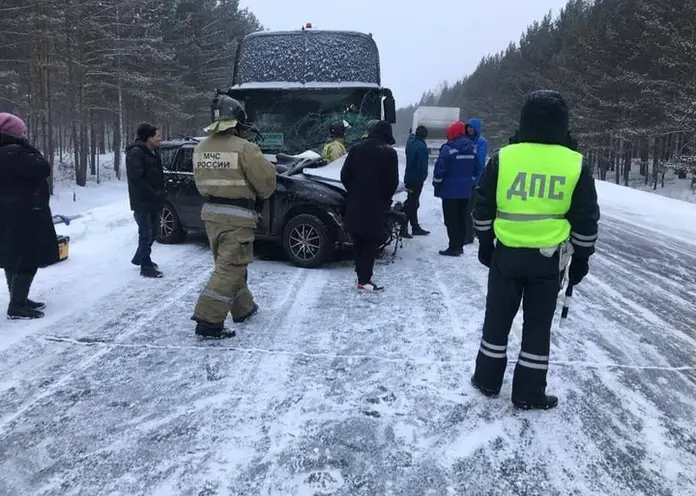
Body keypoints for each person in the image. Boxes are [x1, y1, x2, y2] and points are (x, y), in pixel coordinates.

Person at [470, 90, 600, 410]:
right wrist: (582, 258)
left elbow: (483, 206)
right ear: (563, 124)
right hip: (548, 259)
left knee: (497, 319)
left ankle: (487, 380)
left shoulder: (505, 157)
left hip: (507, 254)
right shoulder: (575, 164)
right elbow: (585, 218)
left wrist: (485, 243)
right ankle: (528, 393)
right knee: (537, 327)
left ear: (524, 121)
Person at [191, 95, 276, 338]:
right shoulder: (245, 148)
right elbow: (266, 185)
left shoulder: (201, 147)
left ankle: (243, 308)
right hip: (238, 218)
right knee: (230, 268)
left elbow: (200, 183)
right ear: (237, 122)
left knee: (228, 264)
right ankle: (208, 320)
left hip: (211, 215)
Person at [0, 113, 59, 319]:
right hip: (24, 213)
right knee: (28, 257)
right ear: (13, 133)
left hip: (9, 212)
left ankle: (18, 299)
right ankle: (17, 305)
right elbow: (43, 167)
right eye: (21, 131)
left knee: (12, 256)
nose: (24, 134)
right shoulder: (15, 152)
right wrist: (28, 146)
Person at [341, 121, 399, 291]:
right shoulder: (389, 153)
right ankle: (365, 280)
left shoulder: (356, 149)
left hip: (355, 202)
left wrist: (354, 191)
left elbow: (344, 175)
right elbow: (392, 182)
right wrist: (384, 199)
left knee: (358, 239)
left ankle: (361, 275)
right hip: (375, 205)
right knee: (370, 242)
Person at [432, 121, 481, 256]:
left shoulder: (448, 148)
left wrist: (437, 184)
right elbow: (477, 169)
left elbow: (440, 170)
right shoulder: (473, 147)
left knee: (451, 219)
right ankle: (459, 245)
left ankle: (453, 247)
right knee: (461, 217)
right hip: (465, 191)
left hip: (449, 191)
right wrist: (469, 182)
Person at [126, 122, 165, 278]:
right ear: (148, 137)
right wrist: (152, 192)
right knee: (146, 233)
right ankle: (146, 266)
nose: (160, 138)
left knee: (154, 232)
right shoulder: (136, 153)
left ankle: (141, 258)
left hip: (154, 199)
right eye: (157, 135)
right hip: (142, 200)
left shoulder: (153, 151)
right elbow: (136, 179)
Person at [402, 125, 430, 238]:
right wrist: (423, 176)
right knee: (412, 203)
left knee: (412, 201)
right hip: (416, 179)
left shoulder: (410, 143)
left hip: (409, 176)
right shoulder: (421, 147)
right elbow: (422, 165)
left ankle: (414, 226)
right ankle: (405, 227)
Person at [463, 118, 488, 244]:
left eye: (472, 128)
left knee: (471, 208)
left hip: (476, 180)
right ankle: (468, 232)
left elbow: (480, 161)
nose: (469, 130)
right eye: (468, 127)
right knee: (466, 207)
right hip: (466, 179)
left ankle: (470, 235)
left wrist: (476, 176)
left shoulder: (481, 142)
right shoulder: (466, 140)